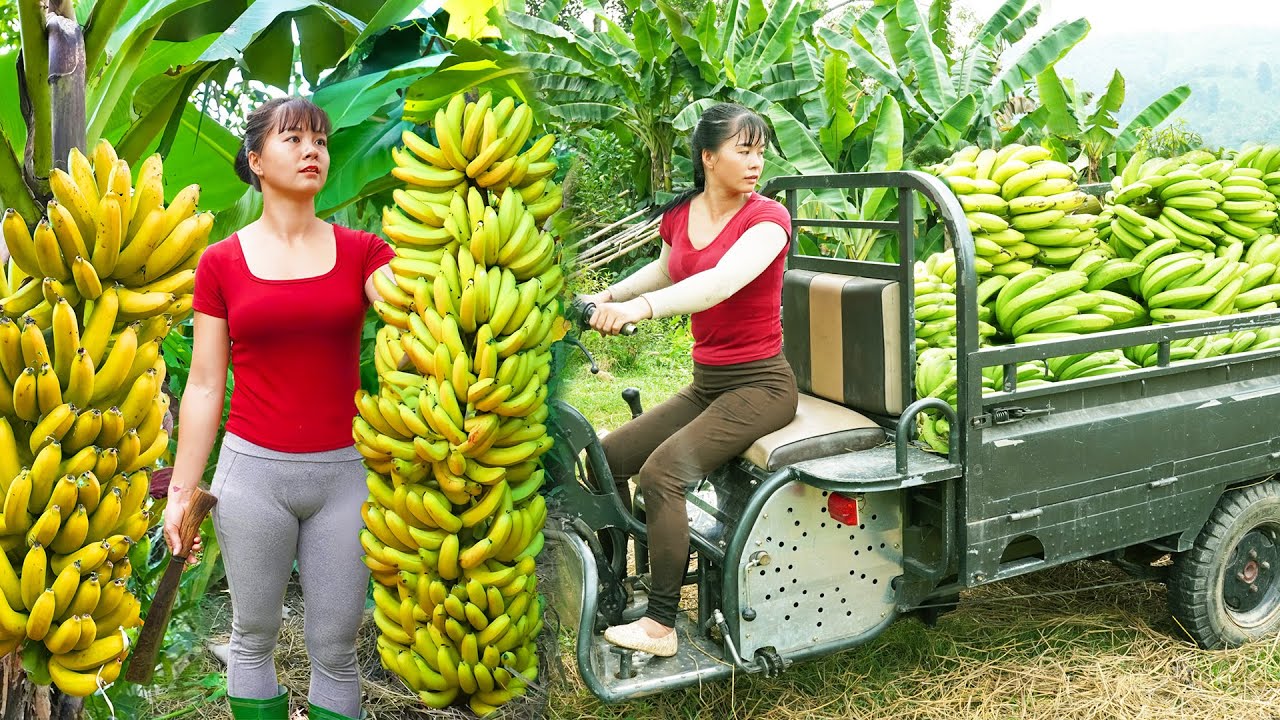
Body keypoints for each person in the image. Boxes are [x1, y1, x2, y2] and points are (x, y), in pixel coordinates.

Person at [163, 97, 395, 720]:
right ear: (256, 159)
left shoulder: (363, 252)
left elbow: (408, 307)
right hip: (252, 475)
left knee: (337, 648)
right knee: (252, 636)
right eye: (293, 139)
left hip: (344, 474)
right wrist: (181, 492)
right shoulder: (221, 262)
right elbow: (206, 386)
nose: (312, 150)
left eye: (320, 140)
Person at [581, 102, 799, 657]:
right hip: (709, 383)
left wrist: (641, 310)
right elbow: (668, 268)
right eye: (742, 150)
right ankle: (613, 582)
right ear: (708, 156)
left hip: (761, 386)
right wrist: (610, 295)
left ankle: (659, 626)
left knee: (662, 476)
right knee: (606, 458)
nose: (755, 162)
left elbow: (718, 285)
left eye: (760, 151)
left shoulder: (767, 219)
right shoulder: (682, 215)